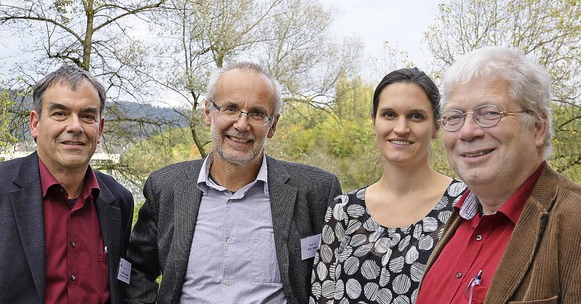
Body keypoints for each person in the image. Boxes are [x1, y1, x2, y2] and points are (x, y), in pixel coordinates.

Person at [123, 62, 342, 304]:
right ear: (208, 112)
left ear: (273, 125)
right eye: (230, 108)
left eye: (257, 114)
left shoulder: (317, 191)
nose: (241, 124)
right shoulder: (165, 187)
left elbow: (336, 278)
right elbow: (135, 270)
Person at [0, 64, 134, 303]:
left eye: (87, 116)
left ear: (100, 128)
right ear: (35, 123)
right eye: (60, 113)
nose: (75, 127)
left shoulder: (117, 201)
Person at [416, 46, 581, 303]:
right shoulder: (457, 217)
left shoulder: (574, 222)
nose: (468, 131)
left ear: (537, 127)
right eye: (455, 117)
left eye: (490, 113)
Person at [310, 67, 466, 303]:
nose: (401, 128)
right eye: (389, 114)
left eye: (416, 116)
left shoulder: (466, 206)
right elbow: (321, 296)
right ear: (374, 122)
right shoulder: (344, 211)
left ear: (436, 126)